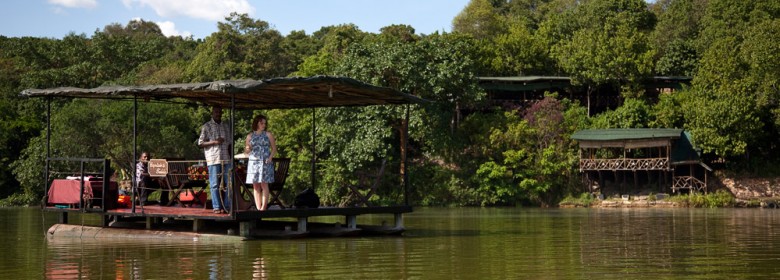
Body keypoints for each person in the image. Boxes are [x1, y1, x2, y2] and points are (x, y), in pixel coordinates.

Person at [198, 105, 233, 214]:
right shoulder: (206, 126)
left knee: (229, 183)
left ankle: (227, 205)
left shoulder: (226, 126)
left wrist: (232, 157)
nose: (218, 114)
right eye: (216, 112)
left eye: (220, 112)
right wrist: (214, 142)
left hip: (226, 158)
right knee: (214, 184)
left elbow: (230, 143)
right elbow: (200, 143)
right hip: (213, 158)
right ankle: (216, 206)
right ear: (212, 113)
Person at [244, 114, 277, 211]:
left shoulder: (268, 134)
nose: (264, 125)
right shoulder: (250, 136)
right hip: (253, 162)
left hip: (265, 162)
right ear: (257, 123)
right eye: (261, 123)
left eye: (265, 123)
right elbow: (247, 151)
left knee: (264, 184)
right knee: (255, 185)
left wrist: (270, 157)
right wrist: (247, 149)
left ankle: (263, 208)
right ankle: (258, 208)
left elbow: (274, 149)